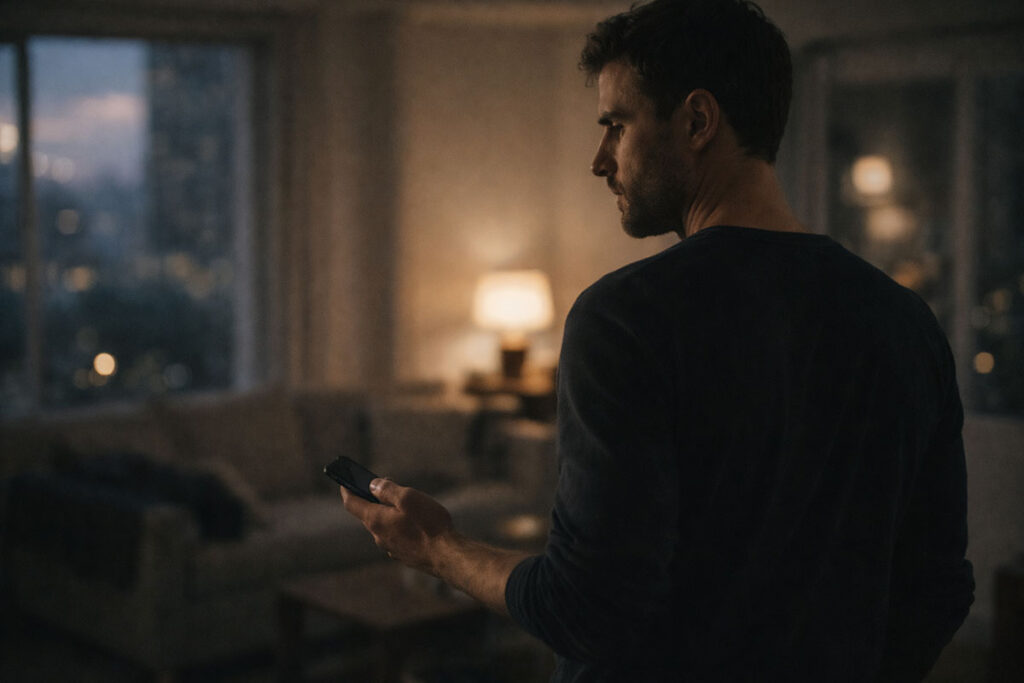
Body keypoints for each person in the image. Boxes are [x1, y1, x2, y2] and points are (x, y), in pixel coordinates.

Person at [339, 0, 975, 680]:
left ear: (697, 120)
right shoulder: (905, 321)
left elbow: (585, 608)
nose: (598, 160)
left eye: (616, 124)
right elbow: (938, 588)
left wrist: (436, 547)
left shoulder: (624, 318)